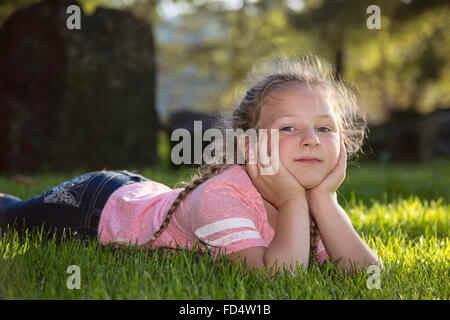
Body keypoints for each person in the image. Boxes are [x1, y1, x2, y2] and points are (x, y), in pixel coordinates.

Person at [0, 55, 380, 276]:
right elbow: (279, 279)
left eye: (324, 128)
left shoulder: (316, 200)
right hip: (95, 207)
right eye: (289, 128)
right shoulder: (221, 197)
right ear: (249, 146)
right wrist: (295, 203)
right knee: (9, 217)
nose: (311, 139)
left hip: (145, 192)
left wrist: (325, 202)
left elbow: (365, 273)